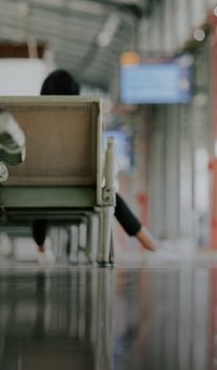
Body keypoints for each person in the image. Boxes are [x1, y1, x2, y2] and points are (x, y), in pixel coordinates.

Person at [31, 69, 159, 259]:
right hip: (80, 189)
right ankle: (150, 243)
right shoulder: (83, 118)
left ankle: (41, 246)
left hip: (40, 191)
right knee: (110, 194)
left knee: (41, 197)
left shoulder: (32, 119)